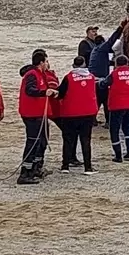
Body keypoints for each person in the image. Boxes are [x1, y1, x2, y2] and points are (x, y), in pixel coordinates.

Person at [50, 55, 98, 175]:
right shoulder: (91, 77)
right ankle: (88, 167)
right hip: (88, 113)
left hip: (70, 113)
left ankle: (65, 166)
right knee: (86, 140)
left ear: (74, 65)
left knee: (68, 140)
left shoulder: (69, 77)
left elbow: (61, 94)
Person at [17, 49, 53, 183]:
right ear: (41, 62)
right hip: (32, 114)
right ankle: (25, 174)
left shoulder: (39, 74)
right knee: (32, 142)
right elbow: (30, 90)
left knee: (40, 141)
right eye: (46, 61)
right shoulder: (32, 74)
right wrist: (44, 93)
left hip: (39, 114)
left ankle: (35, 168)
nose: (47, 64)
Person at [103, 55, 129, 162]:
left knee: (114, 129)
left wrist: (97, 82)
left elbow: (104, 84)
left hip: (117, 105)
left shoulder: (114, 74)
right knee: (127, 127)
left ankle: (118, 155)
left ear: (116, 64)